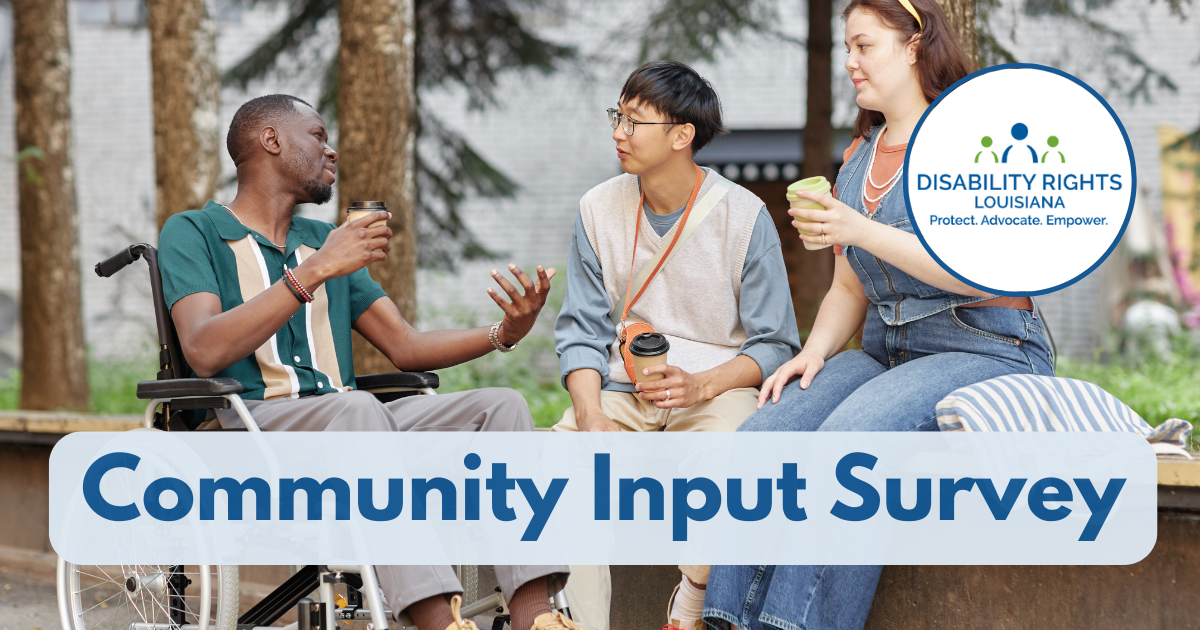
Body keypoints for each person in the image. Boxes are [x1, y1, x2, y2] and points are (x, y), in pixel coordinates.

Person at [158, 94, 578, 630]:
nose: (330, 151)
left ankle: (535, 617)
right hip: (248, 430)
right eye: (316, 135)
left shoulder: (324, 241)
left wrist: (504, 333)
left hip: (350, 424)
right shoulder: (193, 231)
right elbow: (204, 349)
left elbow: (405, 347)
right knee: (356, 410)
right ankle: (437, 621)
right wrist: (313, 273)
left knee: (501, 406)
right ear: (271, 140)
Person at [701, 1, 1055, 630]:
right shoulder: (860, 157)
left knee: (848, 449)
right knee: (764, 437)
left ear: (914, 45)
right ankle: (728, 619)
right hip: (885, 349)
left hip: (986, 344)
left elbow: (982, 267)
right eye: (847, 48)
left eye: (864, 45)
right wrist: (812, 354)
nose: (850, 62)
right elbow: (847, 287)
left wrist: (857, 226)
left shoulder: (972, 139)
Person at [551, 62, 801, 630]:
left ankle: (690, 598)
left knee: (730, 458)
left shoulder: (744, 215)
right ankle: (582, 622)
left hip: (716, 387)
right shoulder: (598, 207)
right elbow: (581, 332)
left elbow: (776, 344)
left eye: (634, 120)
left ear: (681, 135)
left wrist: (702, 385)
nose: (618, 131)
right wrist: (590, 413)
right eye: (618, 116)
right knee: (560, 463)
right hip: (625, 387)